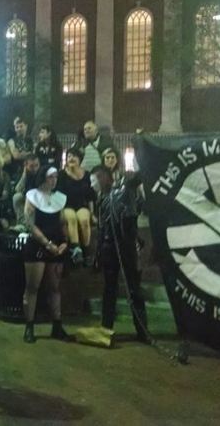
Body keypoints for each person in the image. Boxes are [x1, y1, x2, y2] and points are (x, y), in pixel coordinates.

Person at [95, 147, 148, 343]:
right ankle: (106, 328)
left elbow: (139, 178)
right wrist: (98, 253)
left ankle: (143, 331)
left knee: (134, 287)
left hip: (126, 245)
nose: (96, 181)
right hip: (110, 247)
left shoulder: (126, 186)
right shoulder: (101, 199)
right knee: (109, 289)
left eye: (99, 177)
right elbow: (102, 227)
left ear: (107, 177)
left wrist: (141, 152)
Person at [22, 167, 73, 343]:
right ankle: (29, 327)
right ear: (42, 178)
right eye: (50, 177)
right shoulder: (32, 196)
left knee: (55, 287)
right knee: (32, 287)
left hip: (56, 245)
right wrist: (47, 243)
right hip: (38, 245)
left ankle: (57, 326)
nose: (54, 180)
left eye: (55, 177)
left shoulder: (59, 198)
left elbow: (63, 221)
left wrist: (65, 241)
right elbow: (30, 224)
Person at [58, 148, 95, 266]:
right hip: (66, 205)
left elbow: (90, 196)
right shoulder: (62, 174)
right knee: (72, 219)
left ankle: (87, 251)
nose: (71, 159)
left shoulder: (87, 175)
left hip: (82, 205)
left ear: (80, 159)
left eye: (74, 156)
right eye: (69, 156)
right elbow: (58, 195)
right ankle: (76, 250)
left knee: (84, 220)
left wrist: (92, 213)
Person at [12, 154, 41, 227]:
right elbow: (17, 189)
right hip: (27, 196)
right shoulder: (23, 173)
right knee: (17, 197)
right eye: (31, 166)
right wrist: (24, 174)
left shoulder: (42, 173)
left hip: (39, 198)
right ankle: (21, 224)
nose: (34, 169)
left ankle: (31, 226)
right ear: (25, 165)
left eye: (36, 165)